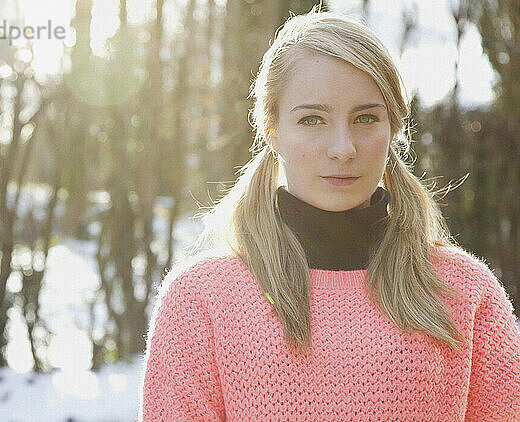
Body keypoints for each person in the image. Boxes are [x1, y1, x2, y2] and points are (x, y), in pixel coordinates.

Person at [137, 7, 520, 421]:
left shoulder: (464, 291)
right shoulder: (200, 301)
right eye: (313, 119)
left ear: (392, 129)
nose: (343, 148)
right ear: (273, 132)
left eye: (366, 118)